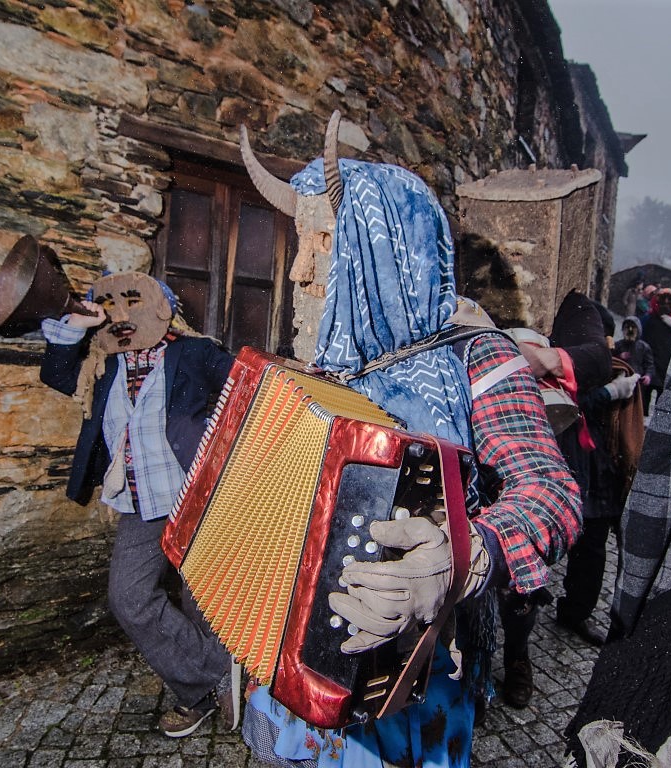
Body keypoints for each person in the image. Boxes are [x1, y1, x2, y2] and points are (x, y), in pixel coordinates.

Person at [238, 119, 582, 767]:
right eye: (300, 245)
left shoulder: (477, 358)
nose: (301, 272)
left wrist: (468, 555)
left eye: (324, 244)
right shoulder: (326, 365)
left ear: (382, 249)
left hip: (415, 677)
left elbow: (552, 492)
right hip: (299, 656)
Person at [39, 271, 237, 738]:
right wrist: (77, 321)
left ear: (162, 307)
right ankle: (212, 679)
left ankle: (219, 693)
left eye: (132, 301)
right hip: (140, 502)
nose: (122, 314)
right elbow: (57, 373)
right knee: (128, 597)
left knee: (201, 600)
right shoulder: (100, 365)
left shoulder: (193, 352)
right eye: (110, 305)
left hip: (197, 499)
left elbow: (245, 388)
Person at [565, 255, 671, 768]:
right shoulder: (592, 367)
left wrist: (636, 386)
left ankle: (579, 609)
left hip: (614, 479)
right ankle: (567, 614)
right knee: (585, 547)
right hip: (588, 476)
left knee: (596, 551)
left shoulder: (643, 353)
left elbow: (662, 390)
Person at [496, 293, 614, 708]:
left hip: (555, 449)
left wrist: (541, 360)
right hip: (500, 442)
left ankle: (517, 659)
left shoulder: (573, 306)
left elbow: (597, 361)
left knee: (534, 563)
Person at [554, 305, 643, 648]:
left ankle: (575, 612)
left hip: (601, 469)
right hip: (571, 462)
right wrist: (607, 394)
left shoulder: (614, 365)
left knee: (593, 551)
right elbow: (569, 404)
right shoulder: (569, 362)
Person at [641, 287, 671, 414]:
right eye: (663, 301)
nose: (666, 304)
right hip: (650, 361)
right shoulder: (648, 319)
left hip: (666, 364)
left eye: (669, 301)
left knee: (662, 395)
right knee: (645, 392)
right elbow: (640, 335)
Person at [614, 315, 654, 413]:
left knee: (635, 408)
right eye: (627, 327)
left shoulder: (644, 347)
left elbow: (649, 365)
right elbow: (610, 361)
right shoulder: (618, 345)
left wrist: (648, 376)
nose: (630, 330)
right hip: (620, 382)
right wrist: (619, 357)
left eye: (633, 327)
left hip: (638, 384)